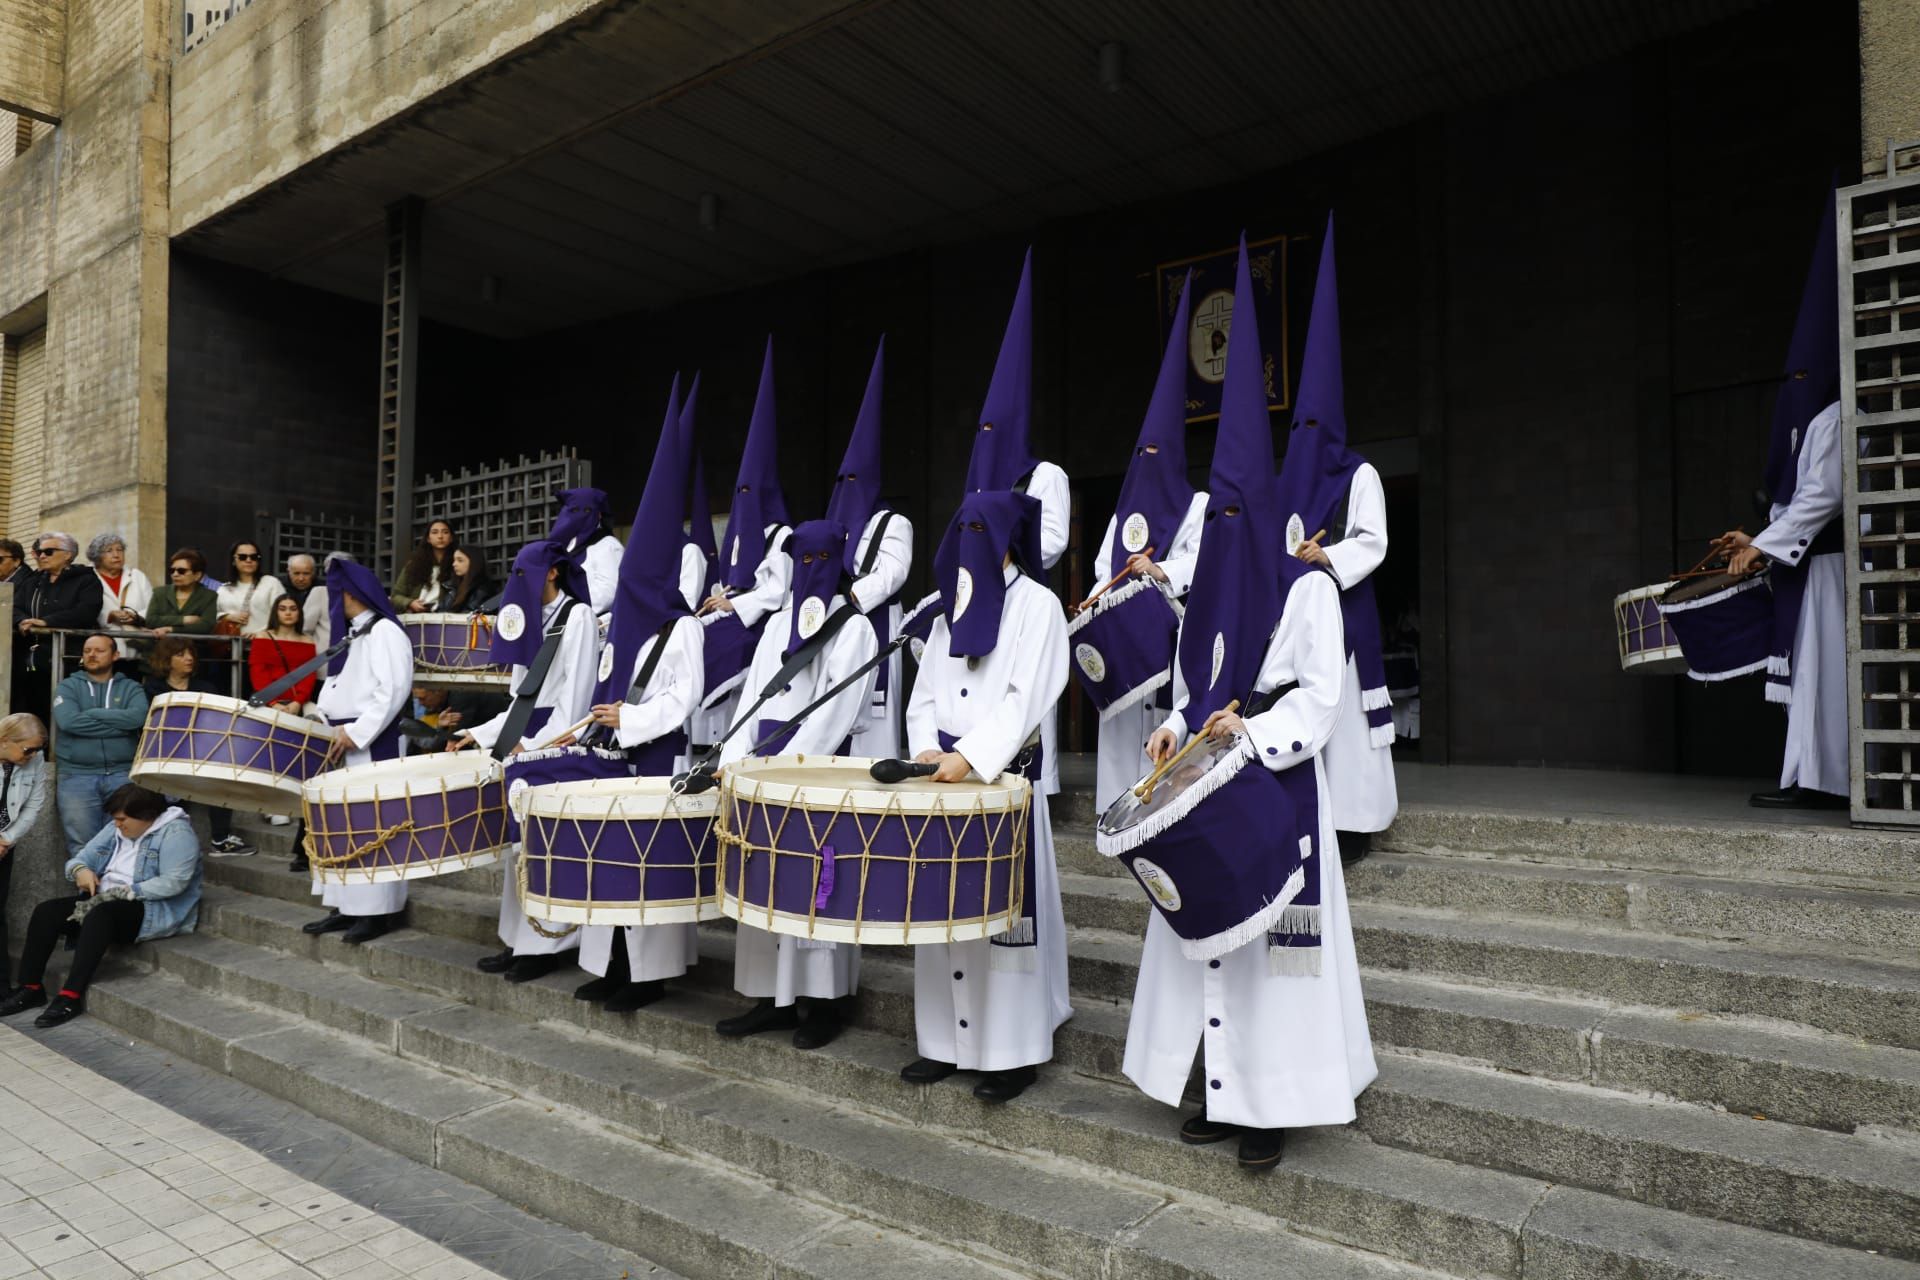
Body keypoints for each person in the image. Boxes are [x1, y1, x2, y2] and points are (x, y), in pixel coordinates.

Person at [1124, 236, 1375, 1172]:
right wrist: (1177, 730)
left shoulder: (1309, 591)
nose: (1228, 537)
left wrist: (1253, 731)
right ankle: (1220, 1093)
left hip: (1275, 789)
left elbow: (1320, 699)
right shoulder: (1202, 604)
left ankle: (1272, 1105)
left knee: (1274, 955)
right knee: (1211, 944)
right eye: (1216, 519)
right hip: (1210, 788)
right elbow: (1193, 692)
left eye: (1241, 519)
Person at [902, 491, 1069, 1103]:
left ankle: (1011, 1053)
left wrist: (970, 757)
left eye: (981, 527)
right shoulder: (949, 613)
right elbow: (922, 694)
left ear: (1004, 538)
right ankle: (945, 1044)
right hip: (941, 783)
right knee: (943, 914)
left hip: (1001, 784)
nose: (969, 537)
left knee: (1003, 918)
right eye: (960, 525)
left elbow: (1026, 696)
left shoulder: (1038, 605)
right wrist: (924, 748)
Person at [713, 520, 879, 1050]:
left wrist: (785, 766)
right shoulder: (778, 621)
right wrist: (733, 759)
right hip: (761, 766)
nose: (809, 571)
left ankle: (826, 1004)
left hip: (820, 770)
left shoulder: (854, 627)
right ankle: (769, 998)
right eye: (800, 560)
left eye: (819, 560)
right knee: (763, 878)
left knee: (818, 885)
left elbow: (834, 710)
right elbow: (753, 699)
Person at [564, 400, 706, 1012]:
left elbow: (685, 696)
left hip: (659, 755)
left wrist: (635, 720)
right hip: (612, 756)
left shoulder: (683, 628)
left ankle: (647, 973)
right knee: (611, 860)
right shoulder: (618, 629)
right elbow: (600, 683)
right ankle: (609, 963)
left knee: (648, 864)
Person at [1277, 217, 1397, 865]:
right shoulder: (1283, 482)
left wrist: (1328, 556)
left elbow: (1372, 541)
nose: (1308, 434)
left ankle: (1355, 824)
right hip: (1297, 624)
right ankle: (1309, 816)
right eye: (1300, 424)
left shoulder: (1361, 473)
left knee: (1347, 723)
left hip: (1345, 617)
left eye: (1317, 425)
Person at [1723, 191, 1847, 810]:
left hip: (1830, 569)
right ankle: (1805, 777)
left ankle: (1826, 782)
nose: (1796, 386)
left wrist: (1766, 547)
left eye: (1804, 376)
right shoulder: (1815, 417)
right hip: (1807, 564)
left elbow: (1822, 498)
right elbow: (1797, 499)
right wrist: (1759, 538)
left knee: (1826, 676)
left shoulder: (1833, 419)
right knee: (1808, 677)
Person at [450, 540, 599, 983]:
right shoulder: (529, 621)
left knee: (547, 848)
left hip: (555, 744)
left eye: (526, 574)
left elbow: (576, 700)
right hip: (525, 740)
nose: (518, 585)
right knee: (520, 849)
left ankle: (547, 945)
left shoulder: (579, 617)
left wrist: (535, 745)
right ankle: (518, 939)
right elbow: (519, 699)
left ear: (552, 572)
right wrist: (478, 733)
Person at [1088, 273, 1208, 812]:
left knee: (1162, 733)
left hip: (1171, 641)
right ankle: (1114, 812)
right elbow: (1099, 568)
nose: (1147, 467)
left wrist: (1162, 574)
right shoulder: (1122, 513)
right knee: (1118, 738)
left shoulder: (1198, 505)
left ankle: (1154, 813)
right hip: (1124, 652)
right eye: (1141, 457)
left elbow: (1203, 567)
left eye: (1156, 457)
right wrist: (1097, 595)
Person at [955, 251, 1072, 800]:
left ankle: (1039, 784)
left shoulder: (1043, 474)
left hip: (1021, 596)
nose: (987, 436)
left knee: (1022, 694)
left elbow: (1051, 541)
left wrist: (1002, 543)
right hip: (977, 594)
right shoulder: (976, 481)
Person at [0, 783, 202, 1028]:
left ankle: (70, 995)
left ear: (147, 816)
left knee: (101, 914)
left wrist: (126, 891)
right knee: (47, 912)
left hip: (148, 906)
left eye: (123, 819)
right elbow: (81, 858)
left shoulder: (177, 833)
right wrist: (80, 870)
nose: (118, 824)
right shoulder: (116, 828)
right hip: (104, 899)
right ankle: (30, 987)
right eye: (116, 819)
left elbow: (174, 883)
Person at [302, 557, 415, 942]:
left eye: (338, 593)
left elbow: (393, 690)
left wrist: (357, 731)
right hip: (338, 741)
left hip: (369, 741)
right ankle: (344, 906)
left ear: (351, 594)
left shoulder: (385, 631)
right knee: (338, 827)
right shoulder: (351, 634)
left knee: (373, 826)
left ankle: (376, 912)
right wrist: (319, 722)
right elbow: (333, 687)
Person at [824, 338, 914, 760]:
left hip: (875, 622)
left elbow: (893, 571)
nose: (846, 490)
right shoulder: (834, 525)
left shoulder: (893, 523)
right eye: (841, 481)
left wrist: (851, 596)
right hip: (834, 626)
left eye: (854, 482)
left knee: (874, 728)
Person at [700, 340, 795, 734]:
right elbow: (730, 579)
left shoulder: (782, 535)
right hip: (735, 619)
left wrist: (733, 606)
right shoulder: (740, 535)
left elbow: (776, 592)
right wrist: (719, 601)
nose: (744, 501)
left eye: (750, 493)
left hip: (765, 628)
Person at [144, 637, 252, 857]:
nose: (189, 658)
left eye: (191, 654)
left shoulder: (206, 688)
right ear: (167, 659)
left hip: (203, 752)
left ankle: (221, 839)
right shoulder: (153, 689)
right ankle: (169, 843)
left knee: (223, 774)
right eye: (181, 654)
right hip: (168, 755)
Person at [53, 634, 150, 855]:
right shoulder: (68, 687)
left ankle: (114, 889)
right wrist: (120, 724)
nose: (91, 655)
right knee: (81, 845)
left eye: (99, 650)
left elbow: (138, 719)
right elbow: (68, 722)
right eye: (87, 651)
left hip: (122, 775)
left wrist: (93, 714)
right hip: (77, 777)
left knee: (125, 842)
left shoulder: (131, 687)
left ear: (115, 655)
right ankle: (88, 890)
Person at [12, 532, 104, 722]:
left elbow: (86, 611)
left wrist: (47, 622)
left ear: (68, 554)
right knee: (30, 711)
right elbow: (15, 607)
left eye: (48, 551)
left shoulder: (86, 580)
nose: (41, 556)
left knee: (60, 711)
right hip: (30, 659)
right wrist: (21, 621)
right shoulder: (34, 580)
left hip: (66, 659)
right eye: (39, 552)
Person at [0, 712, 51, 993]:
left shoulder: (34, 760)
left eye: (37, 750)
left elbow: (34, 805)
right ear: (5, 741)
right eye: (27, 749)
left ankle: (1, 988)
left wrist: (6, 839)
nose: (32, 755)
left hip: (4, 845)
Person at [548, 489, 623, 615]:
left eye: (587, 510)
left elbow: (610, 592)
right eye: (574, 511)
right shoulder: (568, 545)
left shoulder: (608, 545)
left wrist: (567, 607)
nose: (579, 515)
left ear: (599, 515)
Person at [90, 532, 154, 661]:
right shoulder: (88, 578)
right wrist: (109, 616)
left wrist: (135, 616)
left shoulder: (137, 576)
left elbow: (153, 606)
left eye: (120, 550)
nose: (116, 555)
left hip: (137, 647)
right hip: (102, 649)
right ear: (97, 556)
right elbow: (86, 609)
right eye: (109, 551)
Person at [215, 540, 285, 637]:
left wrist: (262, 633)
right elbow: (212, 616)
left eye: (254, 557)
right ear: (233, 561)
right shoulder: (224, 589)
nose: (249, 560)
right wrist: (227, 617)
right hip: (230, 646)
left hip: (263, 642)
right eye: (242, 557)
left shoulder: (271, 583)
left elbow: (283, 614)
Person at [146, 548, 219, 636]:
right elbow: (151, 620)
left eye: (181, 571)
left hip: (195, 647)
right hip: (161, 646)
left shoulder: (209, 596)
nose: (175, 574)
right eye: (172, 570)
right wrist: (183, 620)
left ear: (197, 575)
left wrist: (171, 629)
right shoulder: (160, 592)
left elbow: (206, 626)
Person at [391, 519, 457, 614]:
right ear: (428, 539)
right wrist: (410, 603)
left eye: (445, 532)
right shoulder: (414, 565)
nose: (440, 536)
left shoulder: (457, 564)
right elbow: (396, 596)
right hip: (416, 618)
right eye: (434, 532)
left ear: (451, 538)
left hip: (444, 617)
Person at [445, 546, 493, 612]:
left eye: (460, 560)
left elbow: (470, 615)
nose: (454, 564)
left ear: (474, 562)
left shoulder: (482, 590)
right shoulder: (453, 586)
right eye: (454, 560)